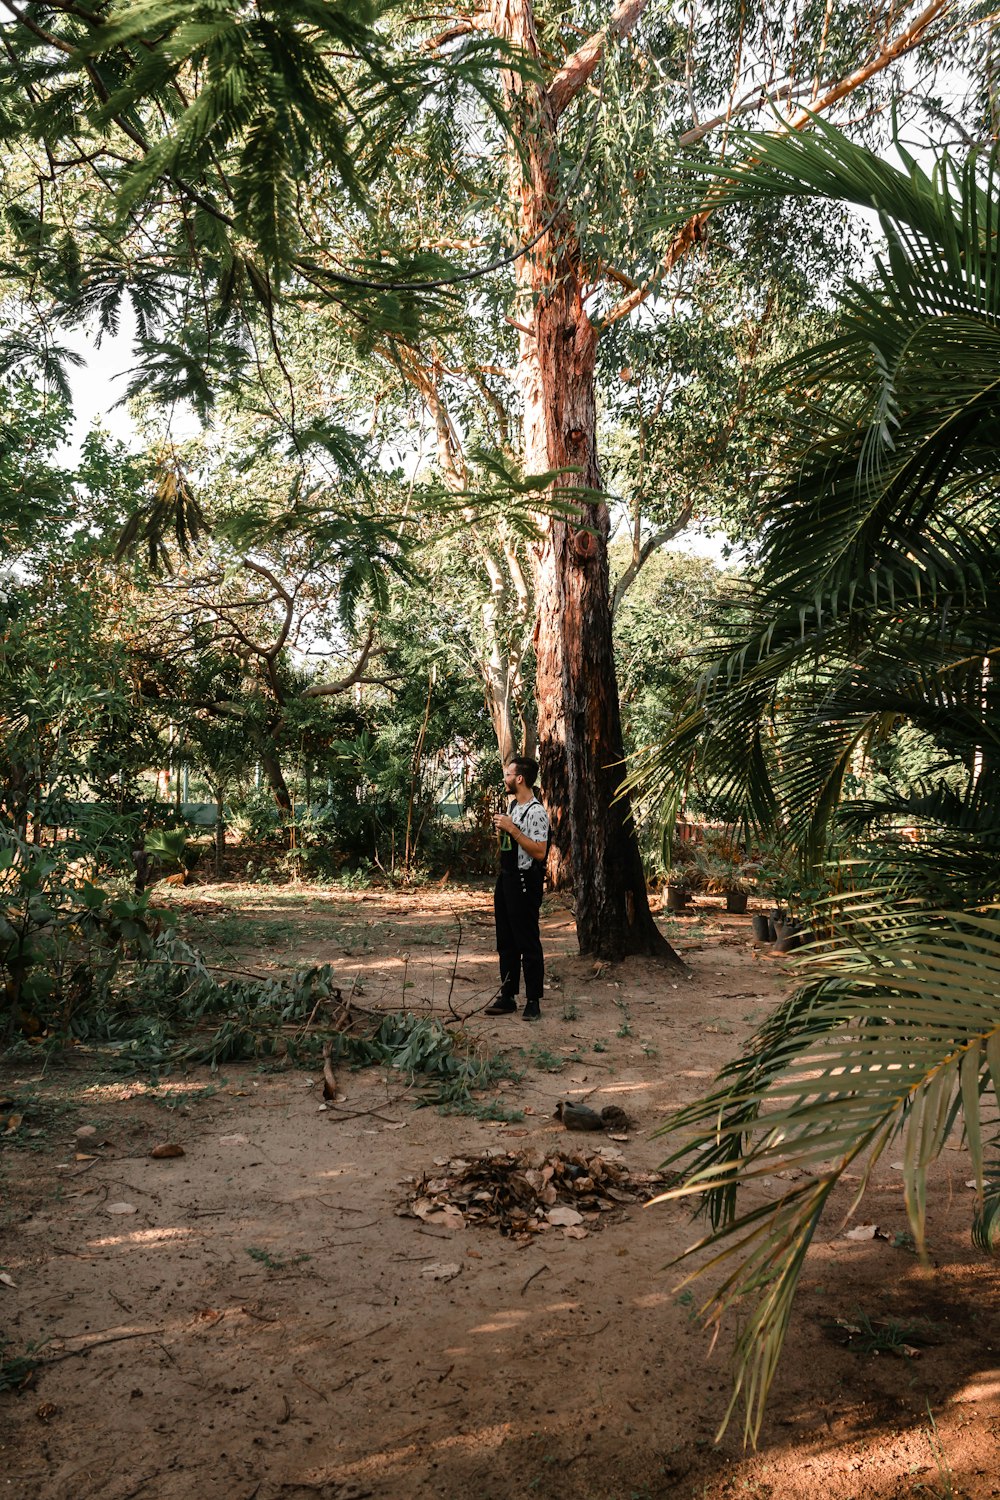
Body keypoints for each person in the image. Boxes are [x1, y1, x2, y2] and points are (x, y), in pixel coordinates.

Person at [486, 757, 550, 1021]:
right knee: (506, 941)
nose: (505, 777)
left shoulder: (536, 812)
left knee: (527, 942)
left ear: (520, 778)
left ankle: (533, 1000)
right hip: (507, 880)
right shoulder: (513, 805)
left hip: (525, 882)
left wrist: (512, 829)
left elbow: (539, 851)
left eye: (508, 773)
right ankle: (508, 995)